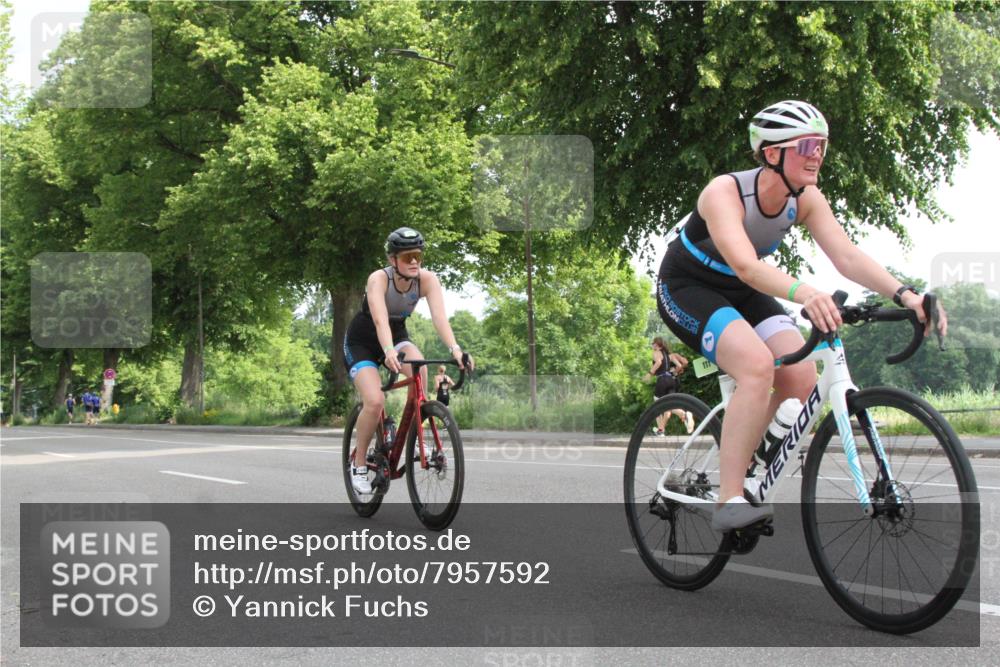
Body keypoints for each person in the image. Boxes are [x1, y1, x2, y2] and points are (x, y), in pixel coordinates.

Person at [656, 100, 947, 531]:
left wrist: (905, 294)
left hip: (743, 291)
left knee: (801, 375)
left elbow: (846, 255)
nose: (816, 155)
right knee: (756, 366)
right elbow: (746, 266)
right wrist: (806, 293)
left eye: (822, 147)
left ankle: (754, 449)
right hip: (687, 286)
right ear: (772, 153)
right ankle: (729, 499)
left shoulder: (807, 199)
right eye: (806, 145)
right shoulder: (724, 192)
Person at [344, 227, 474, 495]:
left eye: (418, 255)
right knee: (375, 400)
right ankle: (357, 465)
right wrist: (388, 350)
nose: (414, 261)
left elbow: (439, 318)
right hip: (363, 341)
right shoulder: (378, 279)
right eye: (407, 257)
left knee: (420, 369)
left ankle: (414, 437)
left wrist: (456, 350)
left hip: (398, 335)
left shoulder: (427, 280)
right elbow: (380, 320)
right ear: (393, 260)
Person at [643, 337, 694, 434]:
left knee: (658, 405)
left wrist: (649, 373)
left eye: (652, 343)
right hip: (672, 380)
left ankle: (683, 414)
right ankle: (661, 430)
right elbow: (681, 365)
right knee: (667, 404)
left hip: (662, 380)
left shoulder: (657, 353)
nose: (652, 345)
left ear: (656, 344)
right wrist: (675, 372)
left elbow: (658, 362)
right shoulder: (669, 355)